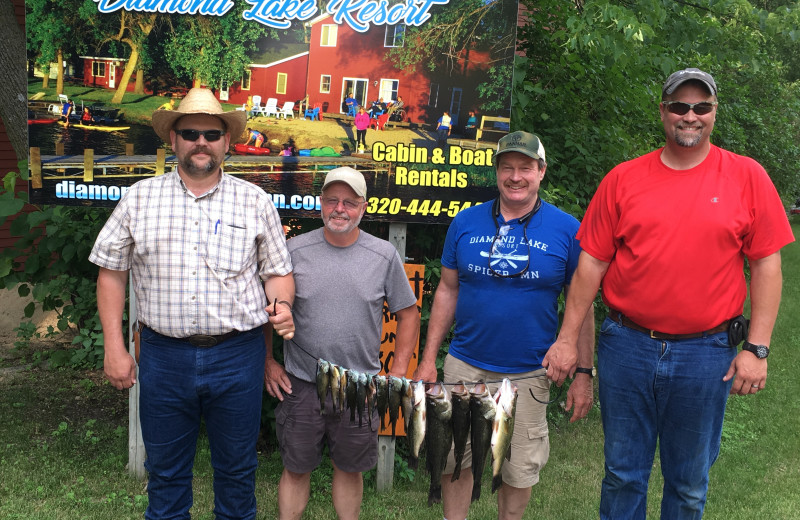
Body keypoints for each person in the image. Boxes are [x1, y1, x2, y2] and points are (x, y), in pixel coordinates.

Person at [545, 68, 795, 519]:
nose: (690, 116)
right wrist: (567, 340)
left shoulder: (746, 176)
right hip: (627, 345)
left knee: (688, 483)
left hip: (707, 352)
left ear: (715, 113)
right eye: (680, 106)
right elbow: (591, 265)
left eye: (702, 107)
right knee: (623, 475)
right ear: (663, 112)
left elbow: (766, 264)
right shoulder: (623, 179)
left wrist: (757, 348)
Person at [89, 87, 296, 520]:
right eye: (190, 133)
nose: (201, 142)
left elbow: (277, 272)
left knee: (239, 473)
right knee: (164, 476)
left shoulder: (256, 201)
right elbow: (111, 272)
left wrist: (281, 305)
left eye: (211, 133)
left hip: (238, 355)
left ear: (226, 142)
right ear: (173, 140)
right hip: (163, 356)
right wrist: (114, 346)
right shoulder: (139, 197)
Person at [414, 131, 595, 520]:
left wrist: (583, 372)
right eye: (507, 167)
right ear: (496, 172)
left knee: (518, 468)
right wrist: (429, 358)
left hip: (530, 372)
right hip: (465, 365)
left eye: (525, 168)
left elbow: (582, 307)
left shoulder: (567, 229)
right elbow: (447, 290)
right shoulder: (465, 222)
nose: (516, 177)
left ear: (541, 171)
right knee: (454, 459)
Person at [264, 167, 420, 520]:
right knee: (295, 467)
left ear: (363, 207)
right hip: (300, 384)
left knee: (350, 469)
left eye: (349, 202)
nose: (340, 209)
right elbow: (270, 311)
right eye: (332, 200)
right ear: (320, 204)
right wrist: (267, 361)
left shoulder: (383, 255)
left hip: (358, 388)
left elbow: (408, 314)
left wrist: (395, 373)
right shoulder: (293, 250)